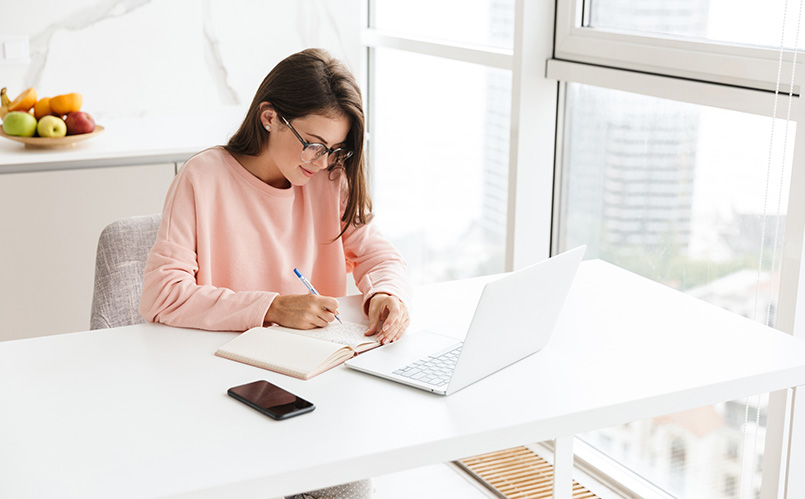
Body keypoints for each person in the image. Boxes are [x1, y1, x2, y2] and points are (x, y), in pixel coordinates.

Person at [139, 48, 411, 499]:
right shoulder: (202, 178)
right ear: (269, 117)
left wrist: (388, 294)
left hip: (317, 387)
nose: (322, 161)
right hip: (220, 387)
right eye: (313, 143)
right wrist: (271, 307)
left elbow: (379, 255)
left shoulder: (329, 180)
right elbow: (163, 296)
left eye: (335, 149)